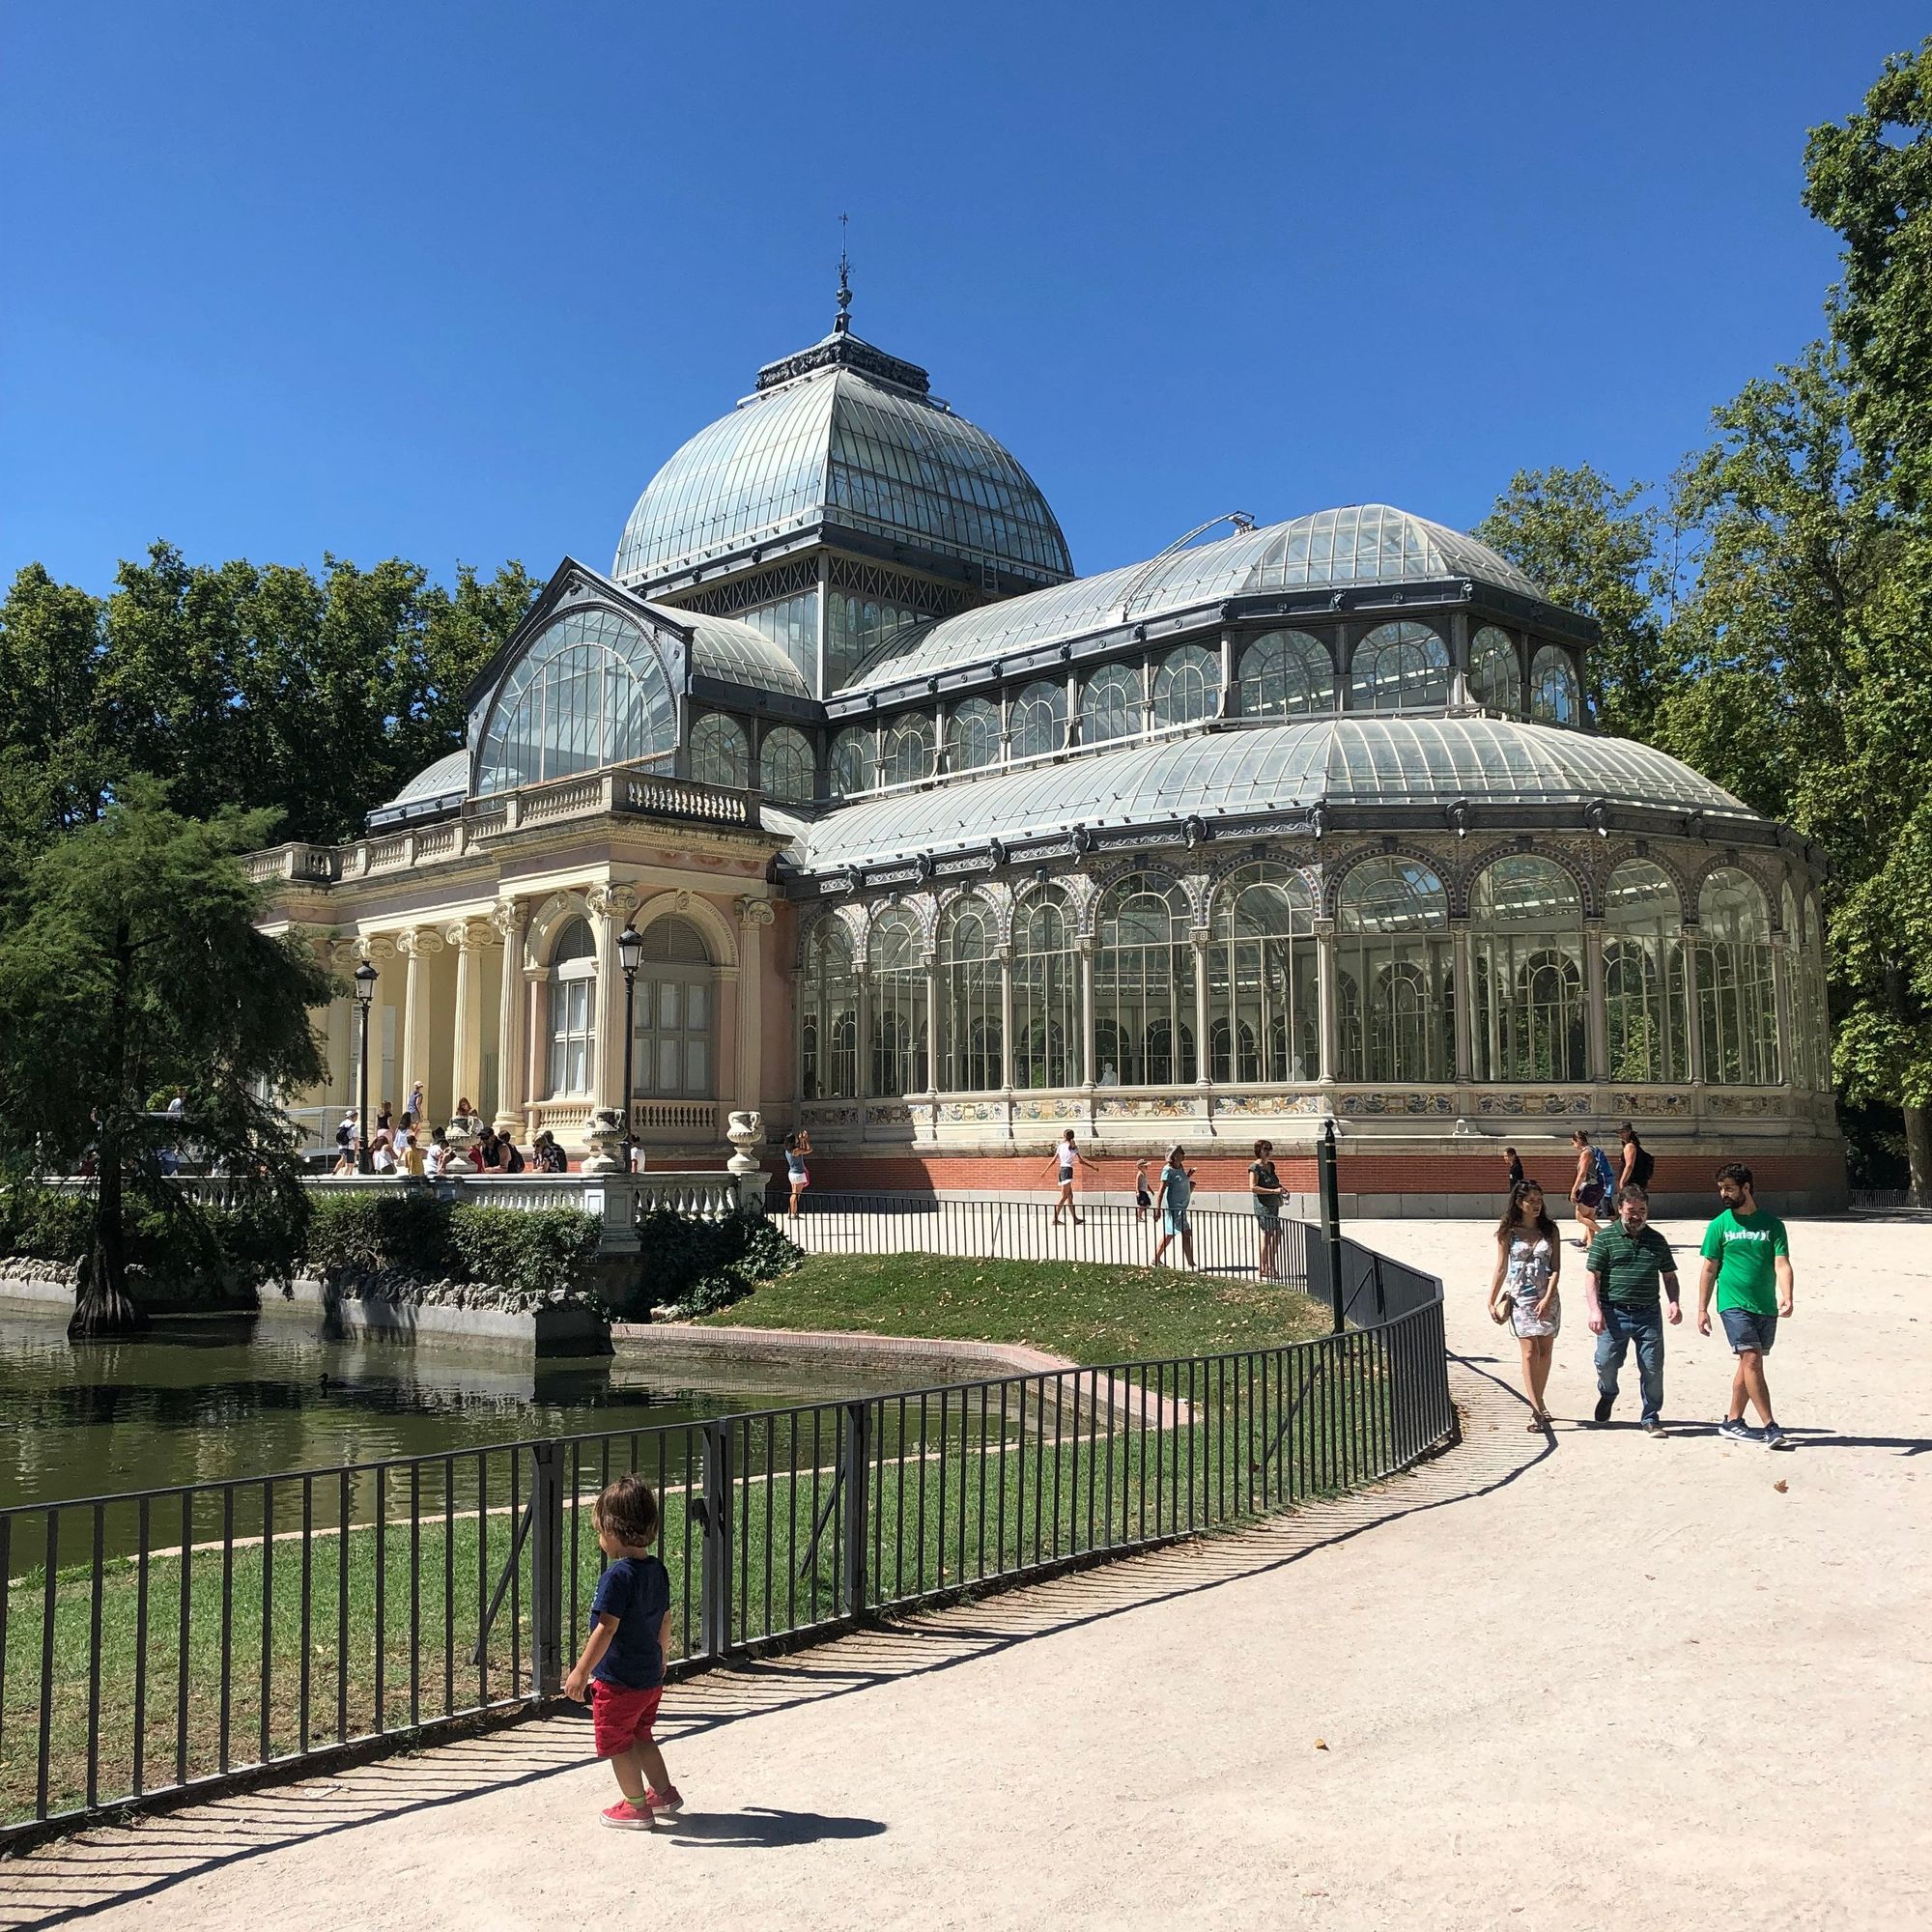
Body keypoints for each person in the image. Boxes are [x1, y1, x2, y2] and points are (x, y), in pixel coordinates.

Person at [563, 1475, 681, 1831]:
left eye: (599, 1530)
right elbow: (665, 1618)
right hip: (649, 1676)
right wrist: (661, 1657)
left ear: (613, 1531)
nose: (599, 1539)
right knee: (642, 1734)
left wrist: (581, 1671)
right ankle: (664, 1793)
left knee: (618, 1742)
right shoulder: (656, 1569)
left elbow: (606, 1627)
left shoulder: (617, 1577)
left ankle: (636, 1807)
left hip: (620, 1681)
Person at [1698, 1161, 1795, 1448]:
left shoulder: (1773, 1226)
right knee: (1751, 1359)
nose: (1723, 1194)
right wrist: (1702, 1308)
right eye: (1721, 1189)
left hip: (1764, 1305)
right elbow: (1709, 1268)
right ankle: (1770, 1426)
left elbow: (1782, 1263)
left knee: (1747, 1363)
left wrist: (1787, 1294)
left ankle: (1732, 1421)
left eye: (1729, 1188)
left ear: (1746, 1188)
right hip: (1732, 1303)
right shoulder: (1719, 1225)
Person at [1582, 1181, 1681, 1435]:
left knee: (1652, 1367)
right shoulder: (1605, 1238)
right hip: (1613, 1313)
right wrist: (1595, 1310)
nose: (1637, 1215)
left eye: (1642, 1210)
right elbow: (1592, 1275)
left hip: (1648, 1314)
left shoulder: (1657, 1240)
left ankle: (1650, 1416)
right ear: (1620, 1208)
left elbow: (1669, 1276)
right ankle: (1608, 1393)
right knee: (1605, 1363)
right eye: (1631, 1210)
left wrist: (1674, 1302)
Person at [1490, 1179, 1561, 1429]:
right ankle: (1536, 1409)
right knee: (1530, 1352)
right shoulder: (1508, 1232)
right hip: (1521, 1298)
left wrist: (1547, 1297)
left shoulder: (1550, 1230)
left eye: (1539, 1200)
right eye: (1531, 1200)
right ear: (1519, 1203)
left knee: (1545, 1351)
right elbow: (1501, 1267)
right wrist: (1492, 1299)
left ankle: (1539, 1400)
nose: (1536, 1205)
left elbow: (1555, 1268)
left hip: (1547, 1297)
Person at [1152, 1146, 1197, 1269]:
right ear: (1174, 1156)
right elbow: (1161, 1190)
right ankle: (1191, 1264)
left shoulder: (1180, 1167)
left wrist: (1188, 1175)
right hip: (1174, 1208)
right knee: (1185, 1233)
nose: (1184, 1154)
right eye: (1180, 1152)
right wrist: (1158, 1209)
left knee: (1170, 1235)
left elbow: (1181, 1181)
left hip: (1182, 1207)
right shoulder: (1168, 1170)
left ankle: (1155, 1259)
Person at [1569, 1129, 1612, 1246]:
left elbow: (1582, 1174)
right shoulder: (1594, 1150)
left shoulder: (1586, 1153)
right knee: (1590, 1217)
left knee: (1580, 1217)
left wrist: (1573, 1191)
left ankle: (1606, 1235)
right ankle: (1590, 1244)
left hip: (1590, 1187)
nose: (1573, 1146)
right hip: (1599, 1186)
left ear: (1578, 1140)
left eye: (1573, 1143)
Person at [1249, 1140, 1284, 1280]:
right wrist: (1274, 1191)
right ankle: (1270, 1266)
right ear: (1259, 1150)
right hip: (1262, 1205)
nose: (1268, 1152)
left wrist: (1281, 1188)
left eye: (1270, 1149)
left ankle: (1263, 1266)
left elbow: (1274, 1182)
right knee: (1275, 1232)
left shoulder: (1271, 1165)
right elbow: (1253, 1187)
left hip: (1273, 1204)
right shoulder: (1254, 1167)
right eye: (1265, 1149)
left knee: (1268, 1235)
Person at [1044, 1129, 1094, 1226]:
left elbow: (1054, 1160)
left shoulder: (1061, 1146)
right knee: (1064, 1196)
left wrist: (1045, 1170)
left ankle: (1075, 1218)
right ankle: (1055, 1218)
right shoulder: (1073, 1147)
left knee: (1070, 1196)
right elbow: (1081, 1161)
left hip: (1062, 1169)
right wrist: (1093, 1167)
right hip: (1067, 1170)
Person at [1617, 1122, 1655, 1202]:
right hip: (1638, 1182)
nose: (1620, 1134)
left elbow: (1629, 1166)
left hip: (1632, 1182)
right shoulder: (1633, 1146)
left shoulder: (1630, 1146)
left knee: (1630, 1203)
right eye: (1619, 1132)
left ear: (1629, 1132)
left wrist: (1622, 1182)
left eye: (1623, 1132)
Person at [784, 1129, 811, 1216]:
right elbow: (809, 1149)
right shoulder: (795, 1151)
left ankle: (792, 1212)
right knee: (796, 1194)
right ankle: (793, 1213)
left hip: (792, 1173)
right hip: (798, 1174)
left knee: (794, 1193)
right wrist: (805, 1139)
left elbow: (802, 1149)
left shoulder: (788, 1151)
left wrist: (801, 1140)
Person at [1134, 1157, 1152, 1225]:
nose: (1147, 1167)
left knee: (1148, 1204)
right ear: (1141, 1167)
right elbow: (1137, 1183)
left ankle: (1139, 1213)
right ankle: (1139, 1217)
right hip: (1141, 1191)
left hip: (1144, 1191)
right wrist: (1137, 1191)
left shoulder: (1145, 1174)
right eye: (1145, 1166)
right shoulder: (1139, 1174)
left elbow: (1146, 1184)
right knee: (1142, 1205)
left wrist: (1151, 1190)